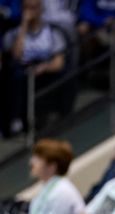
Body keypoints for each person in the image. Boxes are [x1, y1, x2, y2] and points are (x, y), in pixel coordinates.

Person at [1, 0, 66, 136]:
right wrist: (24, 25)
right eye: (27, 8)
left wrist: (44, 67)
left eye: (34, 7)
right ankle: (16, 120)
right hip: (20, 73)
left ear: (41, 9)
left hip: (44, 74)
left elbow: (59, 63)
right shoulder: (14, 33)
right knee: (16, 75)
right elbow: (16, 55)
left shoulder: (52, 32)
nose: (30, 12)